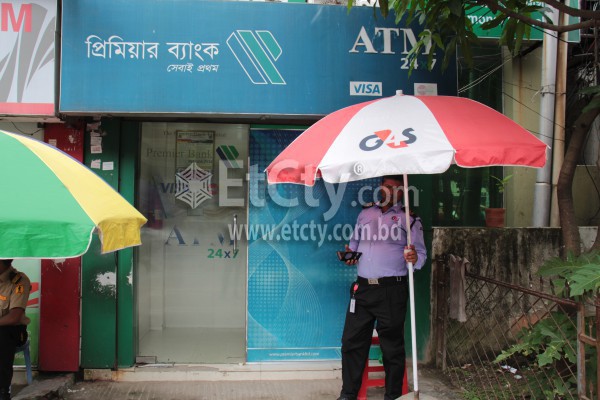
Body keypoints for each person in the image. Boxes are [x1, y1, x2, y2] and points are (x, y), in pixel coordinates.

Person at [338, 175, 427, 400]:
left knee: (392, 348)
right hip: (363, 289)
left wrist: (414, 256)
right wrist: (349, 255)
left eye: (396, 188)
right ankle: (348, 393)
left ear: (402, 192)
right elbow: (354, 245)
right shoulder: (365, 213)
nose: (389, 191)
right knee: (351, 342)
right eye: (386, 186)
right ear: (380, 188)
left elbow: (422, 256)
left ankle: (393, 396)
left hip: (391, 290)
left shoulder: (410, 220)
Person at [0, 260, 31, 400]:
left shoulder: (19, 281)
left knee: (2, 336)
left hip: (13, 330)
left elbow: (14, 317)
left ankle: (2, 391)